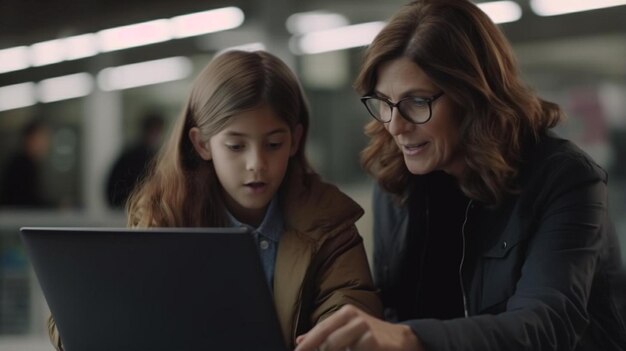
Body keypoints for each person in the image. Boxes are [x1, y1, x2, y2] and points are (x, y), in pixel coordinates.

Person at [295, 1, 626, 350]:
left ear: (472, 97)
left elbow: (546, 325)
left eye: (417, 101)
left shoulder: (565, 178)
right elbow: (394, 311)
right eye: (384, 102)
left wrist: (411, 337)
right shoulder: (395, 180)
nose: (395, 125)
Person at [47, 50, 382, 350]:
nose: (256, 163)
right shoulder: (164, 216)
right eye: (236, 146)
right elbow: (84, 328)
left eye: (274, 144)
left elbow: (348, 310)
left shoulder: (330, 224)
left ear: (294, 140)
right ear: (202, 144)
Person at [106, 111, 165, 208]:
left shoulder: (132, 152)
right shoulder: (140, 155)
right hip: (127, 206)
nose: (158, 136)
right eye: (157, 131)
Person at [0, 118, 51, 208]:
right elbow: (27, 201)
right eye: (42, 139)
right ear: (30, 139)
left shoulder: (31, 165)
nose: (45, 144)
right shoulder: (20, 166)